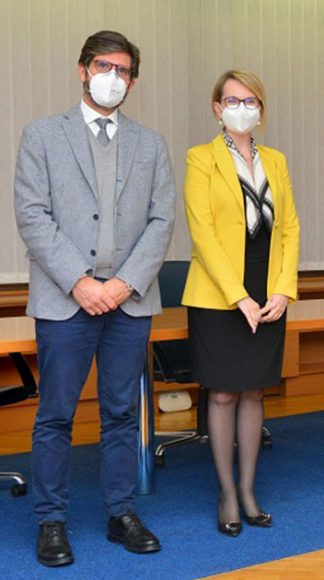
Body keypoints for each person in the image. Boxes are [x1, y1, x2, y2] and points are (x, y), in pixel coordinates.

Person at [13, 30, 175, 567]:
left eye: (123, 70)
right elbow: (32, 216)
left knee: (122, 413)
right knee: (56, 414)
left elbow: (161, 221)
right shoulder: (42, 135)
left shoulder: (150, 144)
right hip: (66, 301)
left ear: (133, 81)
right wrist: (80, 282)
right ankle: (51, 521)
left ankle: (120, 512)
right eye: (104, 66)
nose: (113, 77)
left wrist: (123, 284)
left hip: (129, 302)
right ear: (82, 69)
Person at [183, 70, 300, 537]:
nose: (242, 108)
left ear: (261, 109)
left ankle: (249, 490)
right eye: (232, 100)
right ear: (217, 108)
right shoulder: (201, 158)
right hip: (218, 295)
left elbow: (289, 228)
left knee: (254, 391)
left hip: (268, 289)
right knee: (224, 392)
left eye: (251, 100)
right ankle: (227, 493)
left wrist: (282, 289)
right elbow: (203, 233)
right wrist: (239, 296)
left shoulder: (276, 160)